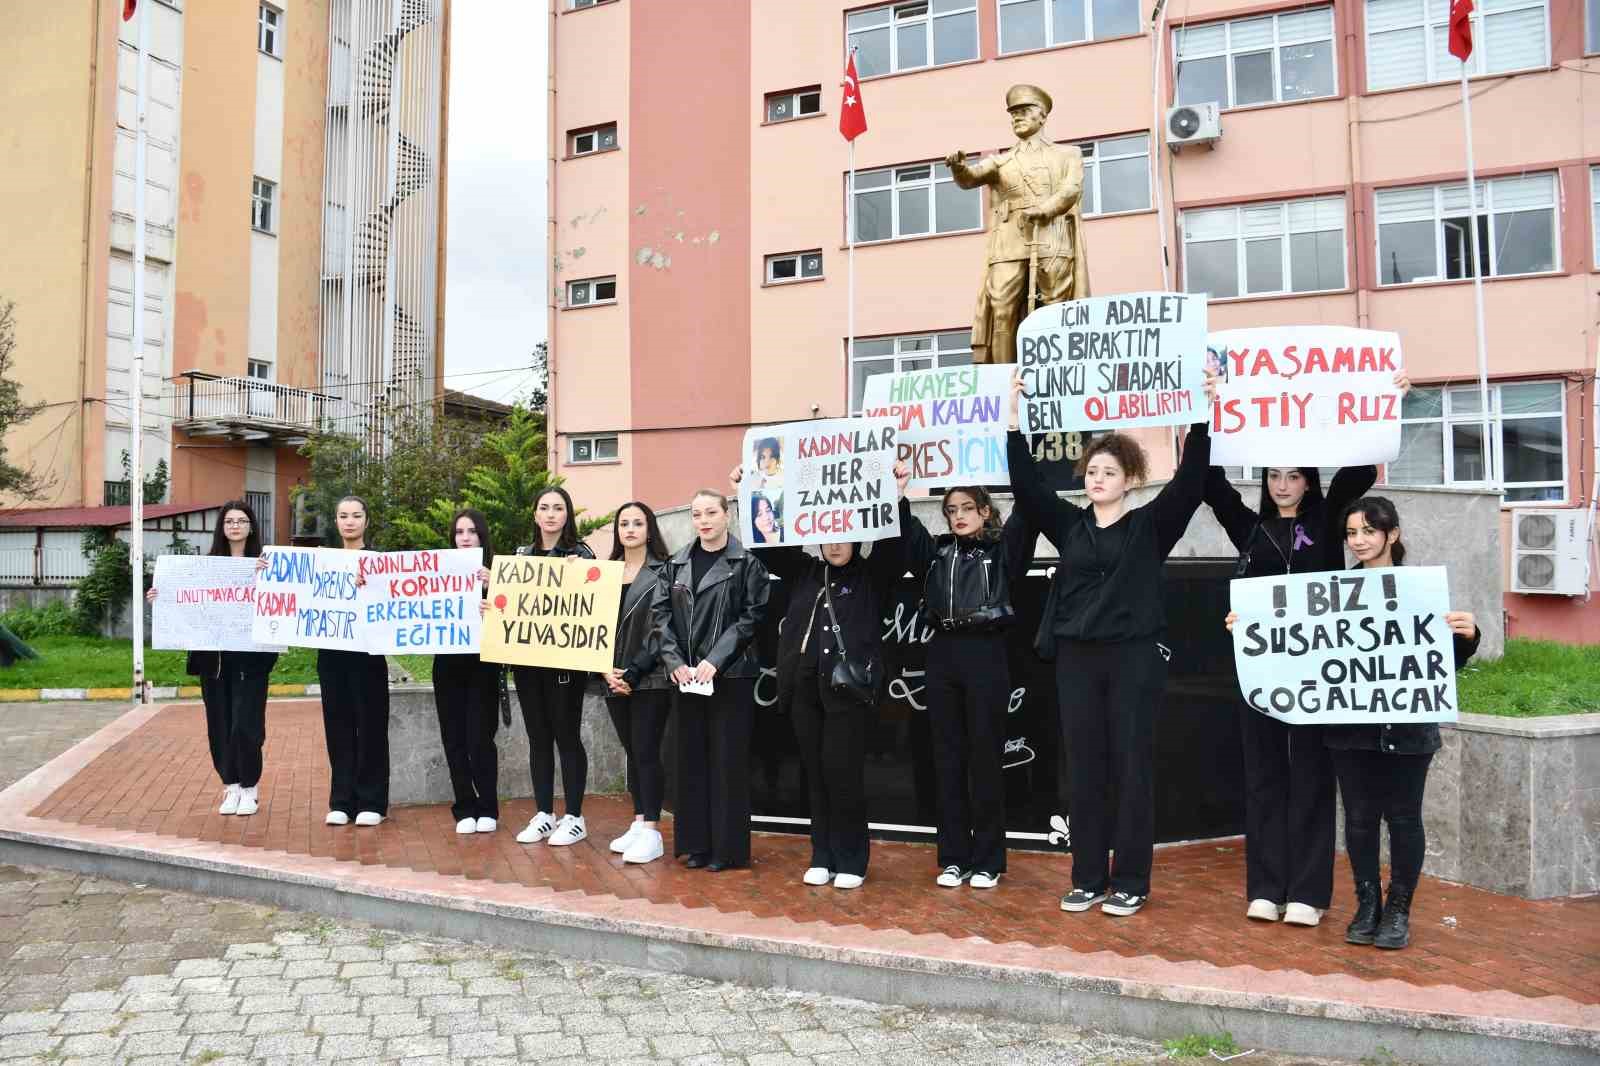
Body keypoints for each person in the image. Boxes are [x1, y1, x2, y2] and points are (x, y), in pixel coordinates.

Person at [1201, 372, 1408, 927]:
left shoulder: (1327, 517)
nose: (1283, 484)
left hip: (1320, 670)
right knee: (1264, 775)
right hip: (1261, 670)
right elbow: (1208, 481)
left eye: (1293, 475)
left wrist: (1388, 401)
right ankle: (1266, 888)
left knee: (1313, 776)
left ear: (1309, 480)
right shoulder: (1250, 529)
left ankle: (1309, 895)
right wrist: (1207, 409)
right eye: (1273, 475)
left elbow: (1358, 469)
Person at [1006, 372, 1214, 917]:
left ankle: (1131, 881)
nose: (1098, 478)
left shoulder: (1149, 527)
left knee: (1130, 766)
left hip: (1133, 660)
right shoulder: (1069, 525)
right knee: (1086, 768)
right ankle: (1087, 876)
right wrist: (1013, 421)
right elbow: (1028, 486)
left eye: (1109, 471)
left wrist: (1204, 412)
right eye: (1092, 470)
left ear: (1129, 479)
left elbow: (1191, 482)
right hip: (1076, 659)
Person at [735, 463, 909, 889]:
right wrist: (748, 493)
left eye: (842, 534)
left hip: (847, 695)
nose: (834, 544)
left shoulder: (871, 575)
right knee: (814, 773)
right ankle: (822, 854)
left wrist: (898, 496)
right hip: (802, 691)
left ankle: (852, 859)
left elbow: (897, 547)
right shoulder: (805, 571)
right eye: (827, 535)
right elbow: (764, 542)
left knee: (843, 775)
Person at [1324, 496, 1478, 950]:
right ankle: (1367, 904)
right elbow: (1304, 651)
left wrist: (1468, 636)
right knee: (1359, 820)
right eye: (1352, 533)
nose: (1359, 541)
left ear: (1392, 534)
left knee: (1405, 818)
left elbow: (1439, 661)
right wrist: (1253, 625)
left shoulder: (1421, 590)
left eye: (1368, 531)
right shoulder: (1330, 594)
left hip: (1408, 727)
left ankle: (1398, 910)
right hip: (1350, 728)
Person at [900, 482, 1036, 891]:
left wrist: (1021, 449)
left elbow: (1029, 512)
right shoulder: (938, 552)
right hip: (943, 653)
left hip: (986, 652)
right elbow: (905, 529)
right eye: (951, 509)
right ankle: (954, 858)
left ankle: (988, 860)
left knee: (985, 759)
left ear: (985, 512)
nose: (958, 515)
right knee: (947, 760)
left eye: (966, 508)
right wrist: (898, 491)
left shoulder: (1003, 552)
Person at [650, 488, 770, 871]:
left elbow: (752, 618)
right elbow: (660, 617)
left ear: (727, 516)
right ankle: (696, 846)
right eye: (697, 514)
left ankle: (727, 850)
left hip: (729, 678)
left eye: (710, 513)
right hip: (685, 679)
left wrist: (715, 660)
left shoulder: (746, 563)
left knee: (727, 764)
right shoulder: (676, 563)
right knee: (691, 762)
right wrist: (673, 661)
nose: (703, 521)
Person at [147, 500, 278, 817]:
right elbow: (186, 601)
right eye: (229, 521)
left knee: (246, 725)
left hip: (252, 660)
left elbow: (282, 600)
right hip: (215, 662)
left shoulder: (266, 563)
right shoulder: (205, 567)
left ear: (251, 526)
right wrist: (160, 598)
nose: (235, 526)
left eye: (241, 520)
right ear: (222, 527)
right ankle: (230, 786)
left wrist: (267, 577)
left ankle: (250, 788)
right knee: (219, 725)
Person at [511, 486, 594, 847]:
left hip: (566, 666)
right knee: (538, 739)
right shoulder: (521, 556)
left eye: (558, 508)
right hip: (529, 665)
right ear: (535, 514)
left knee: (567, 737)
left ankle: (574, 816)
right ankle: (545, 813)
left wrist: (583, 574)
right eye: (544, 508)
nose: (550, 514)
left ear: (567, 515)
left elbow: (595, 603)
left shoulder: (581, 554)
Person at [602, 502, 673, 865]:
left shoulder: (665, 571)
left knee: (646, 751)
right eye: (623, 523)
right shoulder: (604, 573)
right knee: (632, 752)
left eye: (638, 523)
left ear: (650, 529)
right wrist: (604, 669)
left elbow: (663, 630)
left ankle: (652, 831)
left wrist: (633, 673)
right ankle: (638, 820)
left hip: (651, 677)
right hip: (610, 677)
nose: (630, 529)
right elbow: (589, 626)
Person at [313, 495, 391, 827]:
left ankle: (372, 801)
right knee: (338, 727)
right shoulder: (321, 562)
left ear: (366, 521)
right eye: (343, 515)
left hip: (369, 655)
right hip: (331, 656)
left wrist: (373, 584)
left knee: (371, 727)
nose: (350, 521)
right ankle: (341, 800)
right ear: (336, 522)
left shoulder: (380, 562)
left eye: (356, 515)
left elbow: (393, 602)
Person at [433, 508, 499, 835]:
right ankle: (464, 806)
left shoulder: (498, 572)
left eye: (472, 531)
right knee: (454, 738)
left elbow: (515, 618)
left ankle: (487, 806)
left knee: (480, 738)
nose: (465, 537)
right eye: (459, 532)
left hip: (483, 665)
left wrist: (496, 587)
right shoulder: (438, 571)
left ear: (482, 536)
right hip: (446, 664)